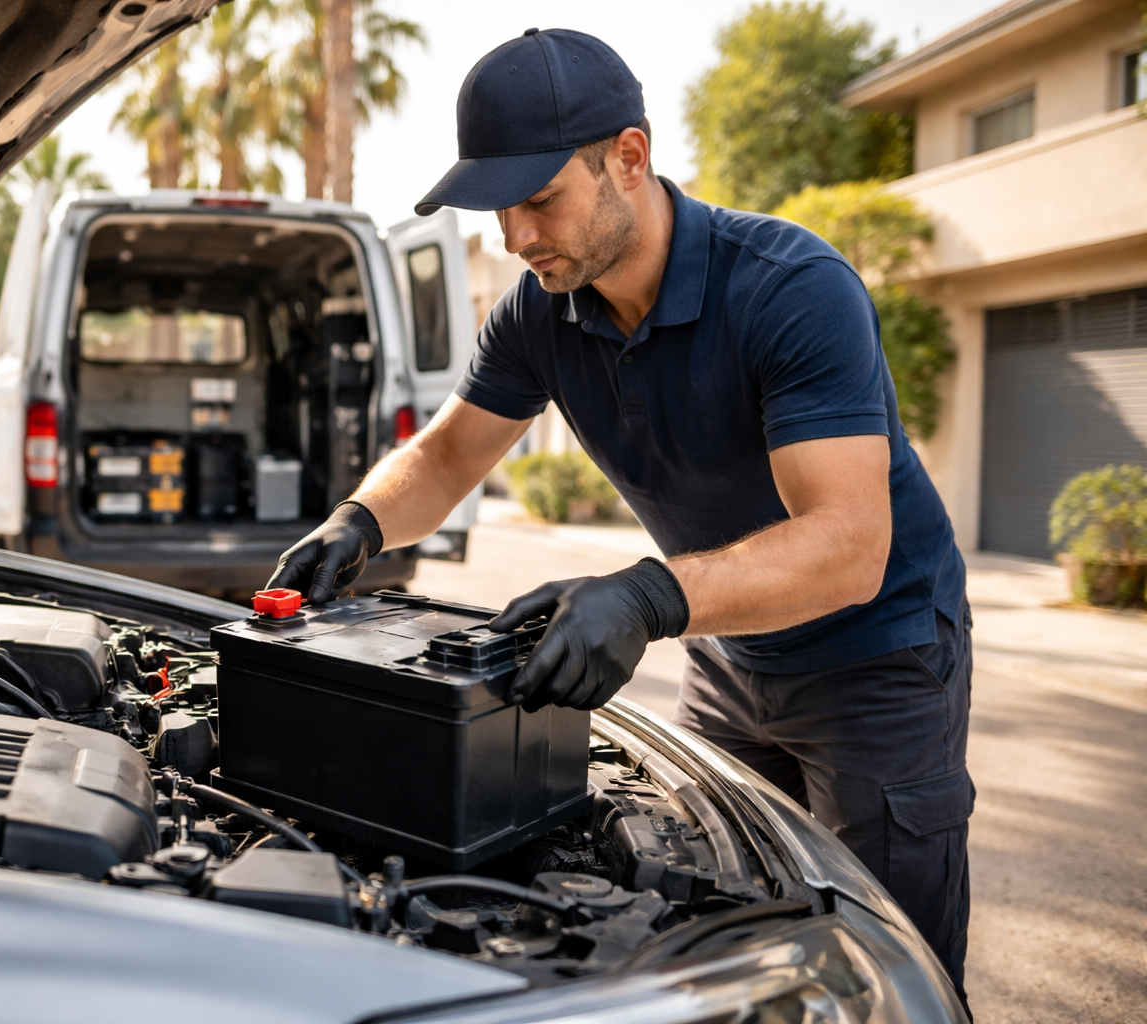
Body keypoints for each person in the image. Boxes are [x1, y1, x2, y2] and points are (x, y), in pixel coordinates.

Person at [267, 27, 973, 1014]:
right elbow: (446, 455)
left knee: (890, 969)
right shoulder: (540, 311)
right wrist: (357, 522)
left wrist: (647, 594)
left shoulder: (789, 290)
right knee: (717, 922)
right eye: (498, 208)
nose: (515, 236)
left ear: (628, 159)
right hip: (730, 655)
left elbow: (849, 548)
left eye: (539, 198)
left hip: (877, 659)